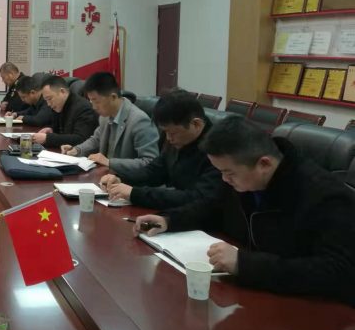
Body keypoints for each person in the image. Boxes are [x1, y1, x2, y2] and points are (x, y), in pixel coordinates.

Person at [133, 117, 355, 306]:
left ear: (264, 164)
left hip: (315, 313)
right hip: (257, 297)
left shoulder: (326, 197)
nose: (224, 179)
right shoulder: (247, 178)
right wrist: (169, 220)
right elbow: (211, 207)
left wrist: (244, 264)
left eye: (229, 173)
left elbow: (336, 271)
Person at [100, 89, 222, 209]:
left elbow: (196, 198)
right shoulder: (179, 139)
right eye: (165, 132)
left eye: (172, 133)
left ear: (196, 124)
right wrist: (121, 179)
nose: (168, 138)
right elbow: (155, 170)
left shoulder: (217, 152)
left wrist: (135, 194)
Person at [61, 72, 158, 174]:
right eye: (91, 101)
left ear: (113, 97)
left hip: (126, 179)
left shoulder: (139, 121)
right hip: (105, 175)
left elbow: (150, 162)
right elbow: (96, 139)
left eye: (97, 102)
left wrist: (109, 162)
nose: (94, 107)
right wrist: (77, 150)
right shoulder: (105, 116)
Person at [31, 75, 98, 148]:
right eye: (46, 100)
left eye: (49, 99)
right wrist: (51, 129)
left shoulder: (83, 108)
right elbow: (61, 131)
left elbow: (80, 139)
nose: (48, 104)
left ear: (62, 91)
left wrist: (47, 138)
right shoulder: (59, 105)